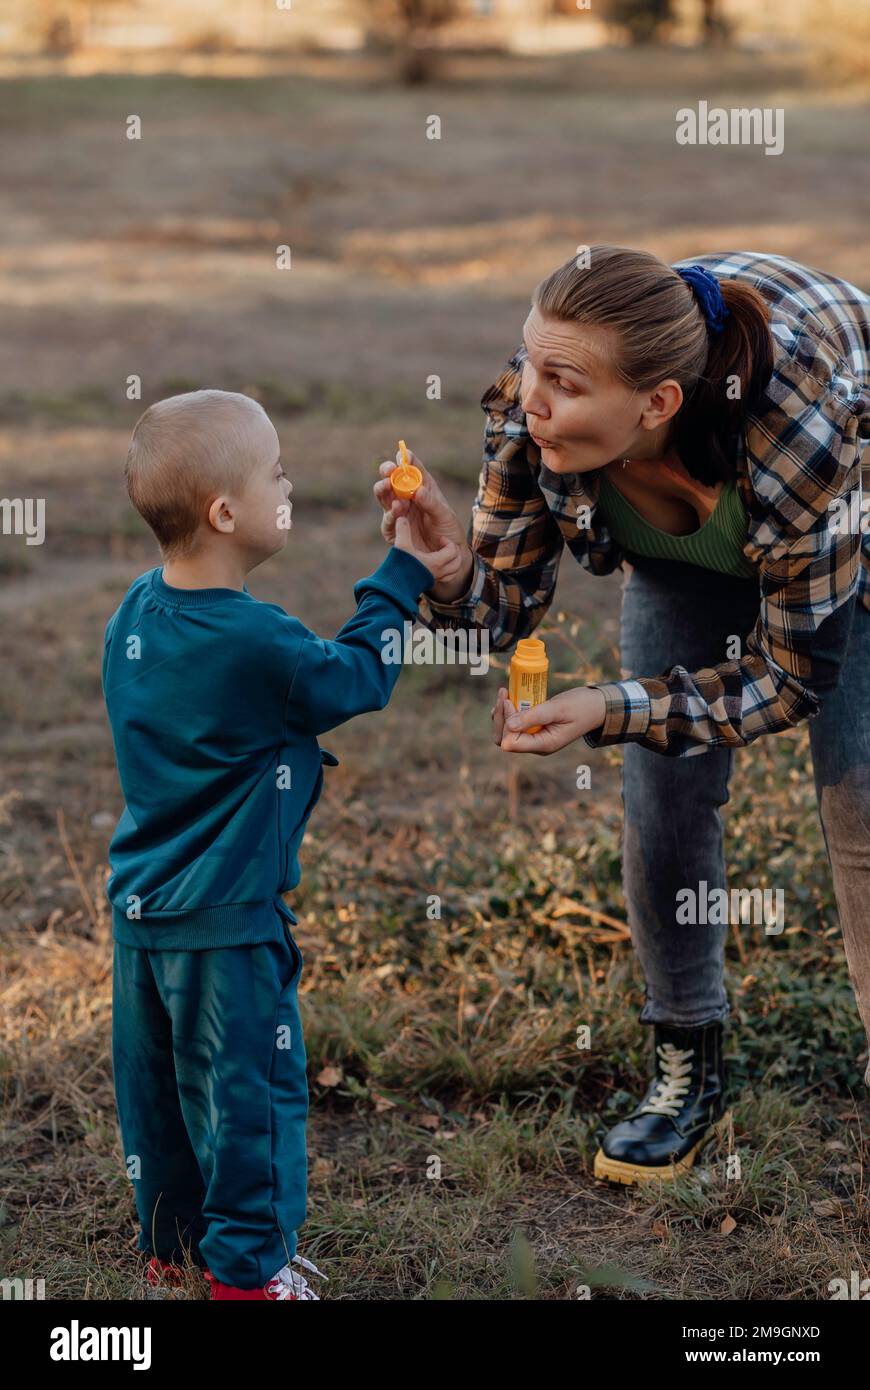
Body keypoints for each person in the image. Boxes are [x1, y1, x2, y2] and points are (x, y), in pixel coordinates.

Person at [374, 246, 870, 1185]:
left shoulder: (806, 429)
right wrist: (447, 572)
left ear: (657, 405)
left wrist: (608, 703)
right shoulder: (527, 418)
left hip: (847, 515)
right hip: (691, 553)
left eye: (563, 380)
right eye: (530, 363)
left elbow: (789, 678)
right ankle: (686, 1060)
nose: (532, 396)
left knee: (861, 801)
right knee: (664, 788)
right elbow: (504, 604)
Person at [102, 389, 458, 1296]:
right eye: (276, 471)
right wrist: (402, 574)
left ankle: (174, 1257)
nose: (289, 481)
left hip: (142, 913)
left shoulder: (134, 617)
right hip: (228, 921)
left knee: (162, 1107)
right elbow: (357, 678)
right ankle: (250, 1279)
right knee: (249, 1099)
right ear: (227, 513)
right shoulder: (260, 642)